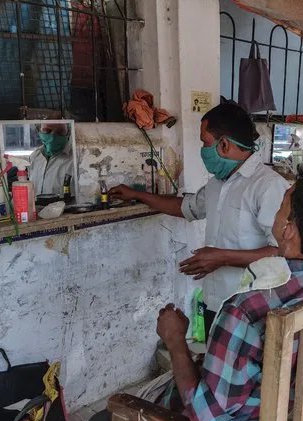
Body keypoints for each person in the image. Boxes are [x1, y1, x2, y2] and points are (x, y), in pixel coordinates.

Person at [86, 166, 303, 421]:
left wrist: (175, 340)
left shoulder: (244, 311)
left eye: (280, 207)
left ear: (288, 230)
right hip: (287, 413)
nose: (275, 216)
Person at [108, 103, 290, 333]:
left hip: (251, 307)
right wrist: (137, 195)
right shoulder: (217, 184)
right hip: (215, 301)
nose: (202, 149)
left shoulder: (267, 186)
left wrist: (222, 258)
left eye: (205, 142)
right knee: (212, 365)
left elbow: (282, 252)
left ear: (224, 144)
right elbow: (185, 207)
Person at [28, 121, 75, 196]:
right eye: (47, 131)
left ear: (68, 131)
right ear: (38, 130)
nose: (53, 136)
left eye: (60, 132)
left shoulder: (77, 160)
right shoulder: (34, 157)